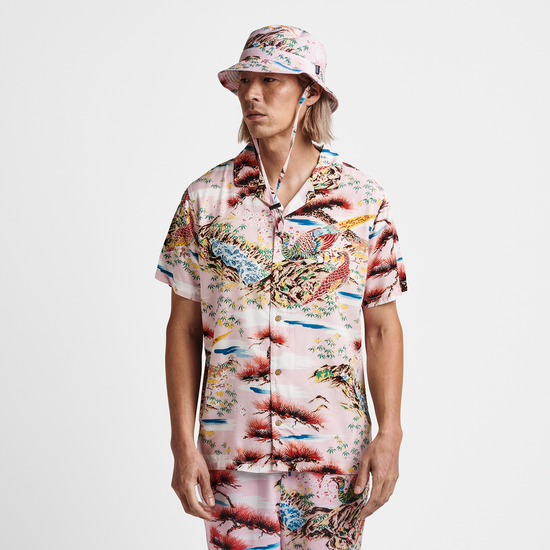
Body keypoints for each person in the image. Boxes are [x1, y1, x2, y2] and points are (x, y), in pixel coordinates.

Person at [155, 24, 407, 550]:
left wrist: (391, 433)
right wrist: (182, 442)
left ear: (308, 92)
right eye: (246, 80)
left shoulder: (363, 200)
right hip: (232, 450)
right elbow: (182, 329)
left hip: (334, 454)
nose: (252, 93)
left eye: (270, 80)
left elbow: (382, 328)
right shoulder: (204, 199)